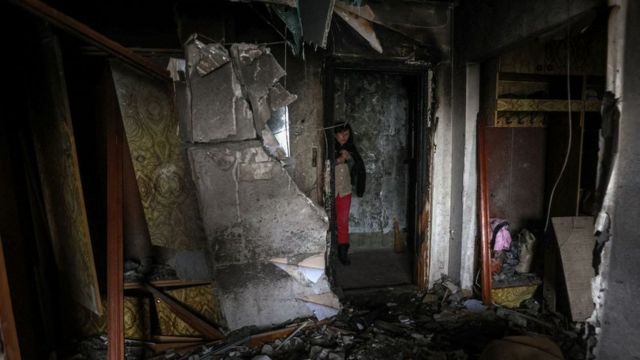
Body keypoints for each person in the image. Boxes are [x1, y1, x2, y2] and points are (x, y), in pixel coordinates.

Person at [333, 122, 366, 265]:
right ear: (334, 134)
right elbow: (323, 163)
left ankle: (343, 253)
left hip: (344, 190)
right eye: (341, 133)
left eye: (347, 134)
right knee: (326, 220)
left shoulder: (351, 149)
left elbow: (359, 168)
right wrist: (340, 159)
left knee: (343, 222)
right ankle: (327, 252)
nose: (344, 137)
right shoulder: (327, 146)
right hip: (328, 190)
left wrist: (350, 158)